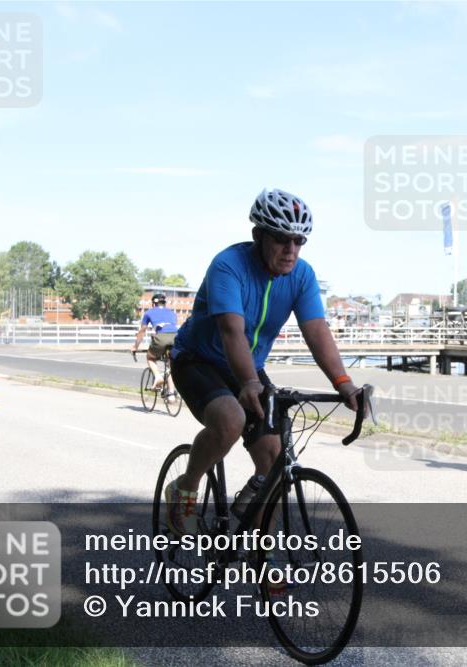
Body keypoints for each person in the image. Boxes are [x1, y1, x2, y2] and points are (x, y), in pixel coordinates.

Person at [164, 188, 362, 535]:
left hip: (247, 366)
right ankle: (186, 487)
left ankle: (262, 554)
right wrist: (249, 382)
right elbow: (231, 331)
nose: (291, 250)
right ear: (258, 235)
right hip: (199, 359)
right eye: (282, 240)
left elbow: (316, 330)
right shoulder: (229, 265)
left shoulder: (302, 275)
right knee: (230, 420)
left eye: (299, 241)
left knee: (273, 461)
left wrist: (342, 383)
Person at [131, 292, 179, 397]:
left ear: (153, 304)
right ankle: (171, 393)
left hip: (161, 337)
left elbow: (142, 331)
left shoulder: (149, 313)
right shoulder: (172, 313)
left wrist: (135, 347)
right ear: (164, 303)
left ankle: (158, 376)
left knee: (150, 358)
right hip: (176, 338)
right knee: (169, 363)